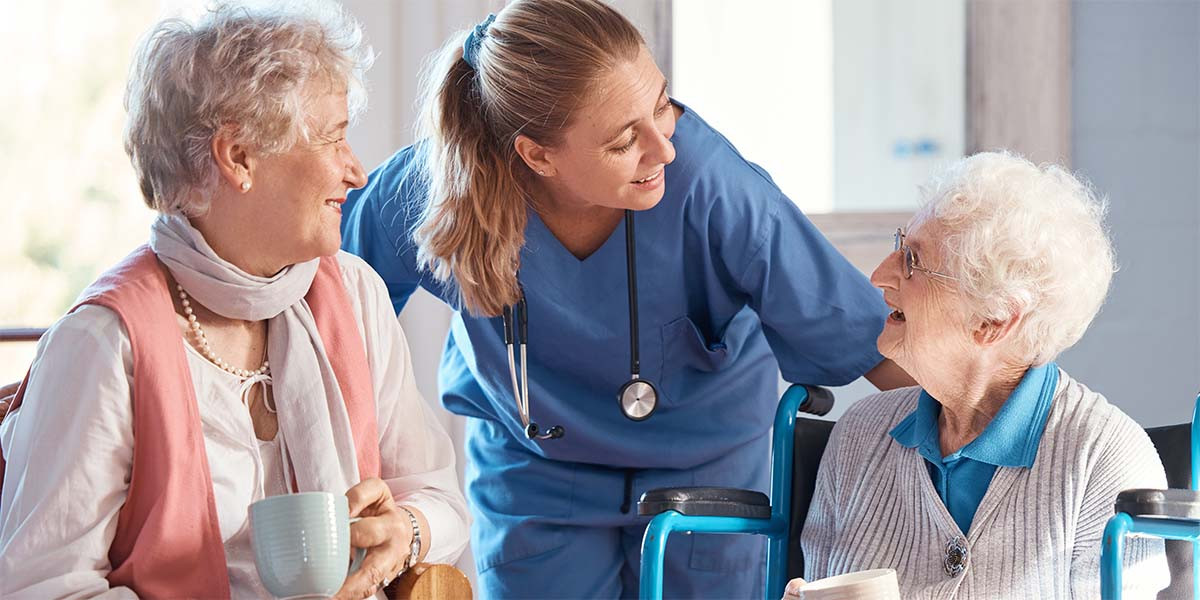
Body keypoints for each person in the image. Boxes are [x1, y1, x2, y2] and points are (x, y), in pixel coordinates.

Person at [340, 0, 913, 596]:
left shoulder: (712, 185)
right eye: (622, 140)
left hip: (705, 463)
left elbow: (872, 346)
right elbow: (328, 313)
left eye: (662, 104)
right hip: (536, 469)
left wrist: (1000, 453)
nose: (664, 148)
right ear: (537, 154)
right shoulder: (432, 193)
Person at [0, 4, 468, 598]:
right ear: (238, 158)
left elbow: (438, 494)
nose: (356, 170)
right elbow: (45, 587)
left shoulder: (353, 292)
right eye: (333, 138)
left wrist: (405, 528)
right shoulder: (102, 344)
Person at [789, 152, 1168, 599]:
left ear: (993, 320)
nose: (879, 276)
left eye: (912, 260)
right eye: (899, 244)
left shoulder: (1102, 460)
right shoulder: (860, 435)